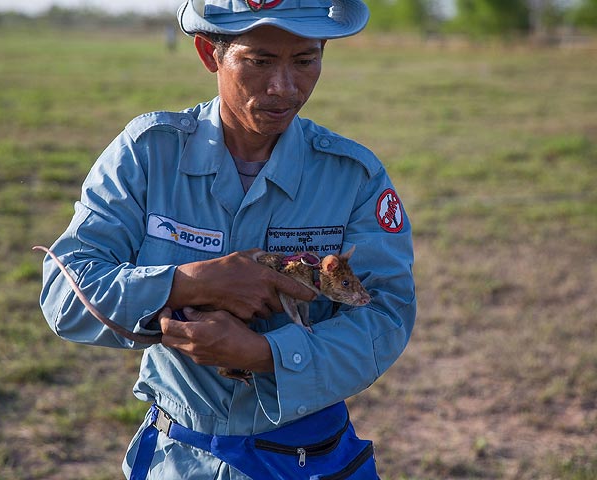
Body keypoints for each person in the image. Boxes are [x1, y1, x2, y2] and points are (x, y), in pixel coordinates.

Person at [38, 0, 416, 478]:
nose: (284, 87)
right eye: (258, 61)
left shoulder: (353, 177)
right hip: (179, 457)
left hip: (310, 457)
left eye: (305, 60)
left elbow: (387, 315)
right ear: (208, 53)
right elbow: (64, 295)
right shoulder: (148, 154)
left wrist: (265, 356)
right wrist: (189, 284)